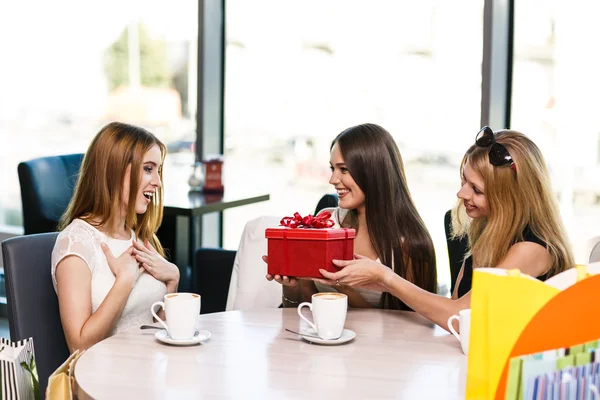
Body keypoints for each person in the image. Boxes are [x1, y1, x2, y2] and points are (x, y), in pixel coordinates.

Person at [316, 127, 574, 330]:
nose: (461, 193)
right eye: (464, 181)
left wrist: (386, 278)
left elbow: (459, 317)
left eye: (477, 190)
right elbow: (450, 307)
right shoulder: (489, 234)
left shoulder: (531, 249)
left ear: (510, 197)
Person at [266, 123, 438, 310]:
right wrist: (296, 282)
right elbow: (305, 312)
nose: (333, 180)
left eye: (344, 169)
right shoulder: (326, 221)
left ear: (373, 171)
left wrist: (340, 286)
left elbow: (409, 327)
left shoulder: (411, 245)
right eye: (333, 169)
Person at [51, 122, 180, 352]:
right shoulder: (76, 243)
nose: (158, 182)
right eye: (148, 169)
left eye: (158, 171)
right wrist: (124, 281)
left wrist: (172, 281)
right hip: (100, 382)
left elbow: (155, 330)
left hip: (145, 372)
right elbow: (79, 346)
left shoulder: (139, 238)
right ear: (115, 170)